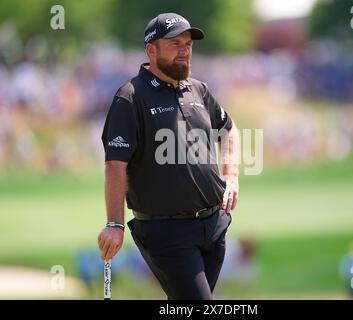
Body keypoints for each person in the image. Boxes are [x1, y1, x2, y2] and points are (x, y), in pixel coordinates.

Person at [97, 12, 240, 300]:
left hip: (213, 226)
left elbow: (229, 129)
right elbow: (115, 164)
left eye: (188, 44)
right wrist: (114, 223)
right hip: (167, 232)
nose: (185, 50)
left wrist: (232, 176)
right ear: (152, 49)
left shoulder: (197, 89)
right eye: (175, 44)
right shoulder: (130, 97)